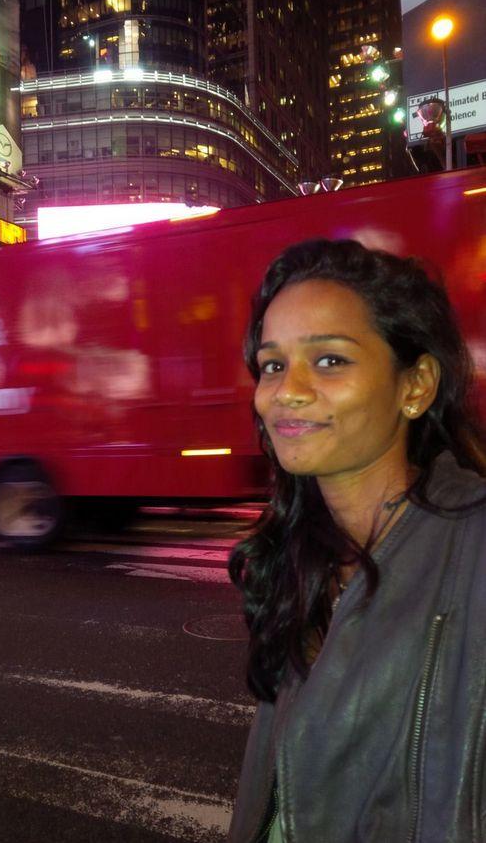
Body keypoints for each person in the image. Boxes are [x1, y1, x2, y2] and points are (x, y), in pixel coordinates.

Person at [227, 238, 486, 843]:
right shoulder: (301, 555)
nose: (286, 390)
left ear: (415, 385)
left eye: (330, 361)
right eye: (272, 364)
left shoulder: (475, 549)